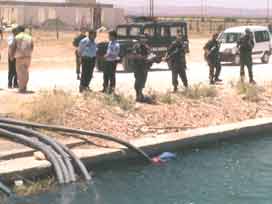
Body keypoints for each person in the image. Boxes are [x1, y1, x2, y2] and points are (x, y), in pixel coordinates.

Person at [10, 26, 34, 93]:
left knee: (20, 73)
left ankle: (21, 88)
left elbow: (13, 47)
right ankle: (24, 86)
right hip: (28, 57)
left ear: (19, 30)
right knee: (25, 72)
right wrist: (29, 53)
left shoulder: (17, 37)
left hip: (20, 57)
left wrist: (11, 56)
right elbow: (32, 46)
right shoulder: (29, 37)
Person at [131, 38, 152, 102]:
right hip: (137, 67)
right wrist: (142, 57)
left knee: (143, 81)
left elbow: (150, 55)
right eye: (142, 39)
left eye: (144, 39)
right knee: (137, 81)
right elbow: (134, 55)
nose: (143, 41)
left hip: (144, 67)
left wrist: (150, 58)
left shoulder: (147, 47)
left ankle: (140, 94)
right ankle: (138, 95)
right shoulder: (136, 46)